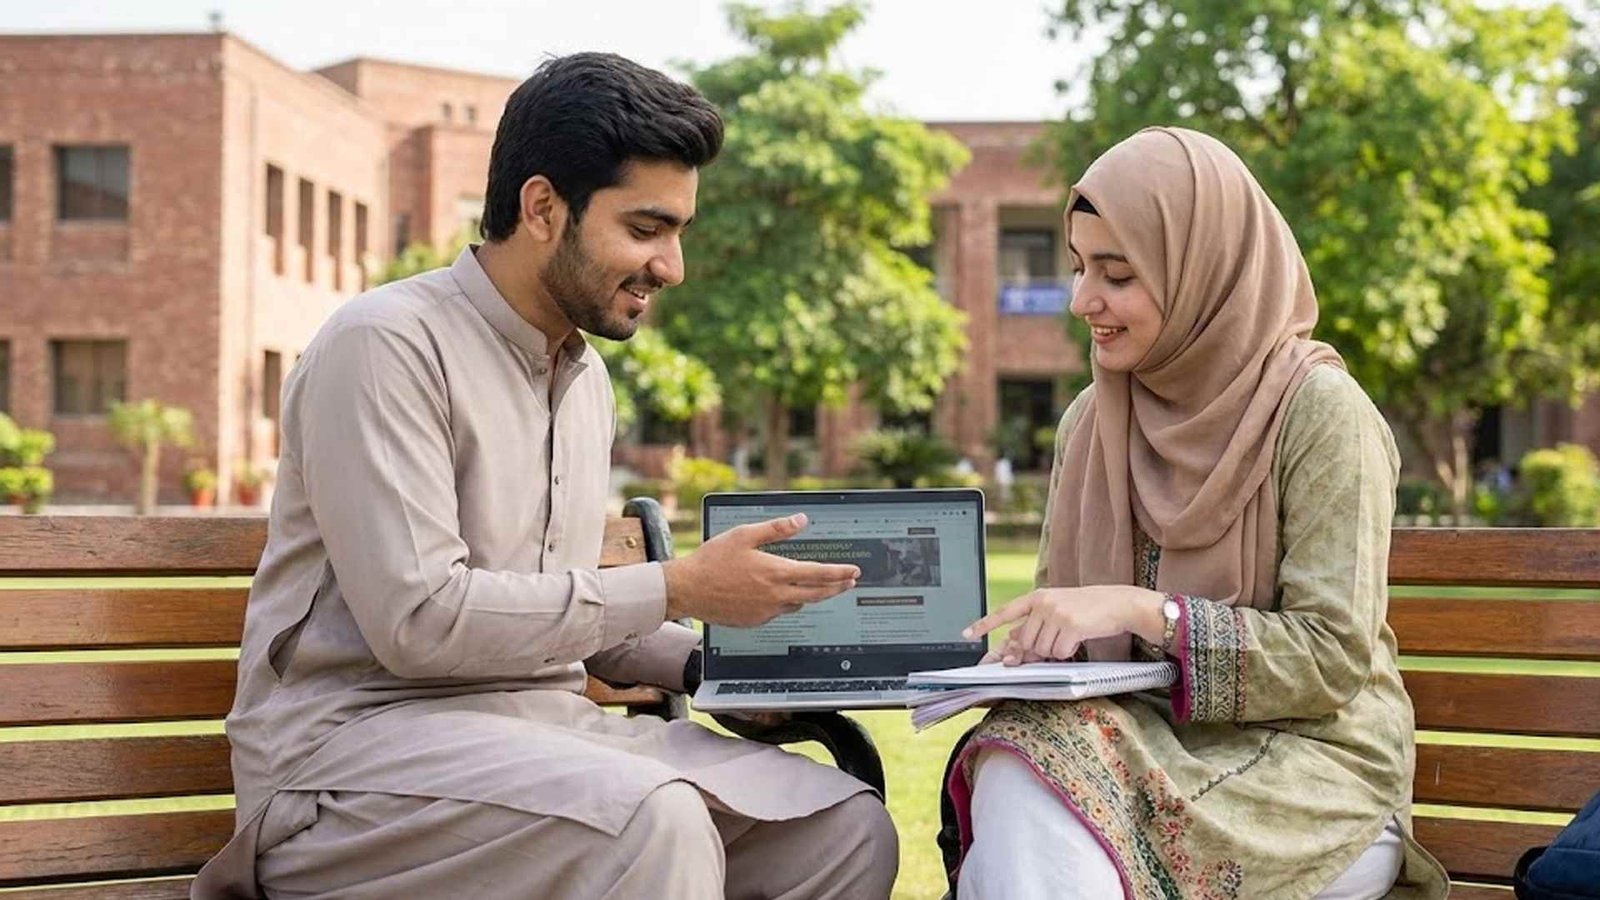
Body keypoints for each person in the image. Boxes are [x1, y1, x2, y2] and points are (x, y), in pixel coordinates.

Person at [191, 53, 897, 900]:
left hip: (544, 742)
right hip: (348, 770)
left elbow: (570, 614)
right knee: (654, 819)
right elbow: (421, 621)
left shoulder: (581, 374)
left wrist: (721, 669)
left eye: (678, 232)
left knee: (843, 829)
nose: (670, 267)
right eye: (645, 229)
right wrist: (677, 585)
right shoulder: (384, 347)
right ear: (541, 207)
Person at [947, 127, 1450, 899]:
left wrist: (1147, 611)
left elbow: (1330, 656)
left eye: (1116, 275)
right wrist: (1018, 658)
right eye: (1080, 268)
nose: (1084, 301)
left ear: (1203, 272)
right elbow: (1068, 631)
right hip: (1140, 749)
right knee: (1021, 753)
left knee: (1042, 822)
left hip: (1313, 775)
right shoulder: (1091, 421)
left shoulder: (1320, 414)